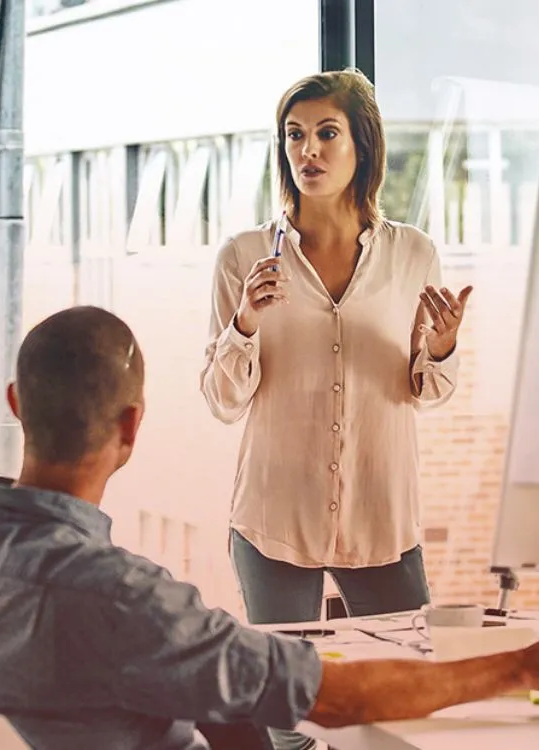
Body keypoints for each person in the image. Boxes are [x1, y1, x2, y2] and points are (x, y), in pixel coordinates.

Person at [0, 306, 539, 750]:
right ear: (132, 426)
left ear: (16, 405)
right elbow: (337, 701)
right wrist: (523, 667)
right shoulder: (126, 601)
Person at [201, 71, 467, 628]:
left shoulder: (412, 254)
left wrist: (441, 349)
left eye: (326, 133)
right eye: (295, 135)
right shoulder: (243, 255)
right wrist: (245, 322)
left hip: (381, 516)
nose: (308, 150)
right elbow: (223, 400)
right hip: (275, 516)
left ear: (361, 147)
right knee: (287, 682)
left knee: (406, 670)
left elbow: (426, 393)